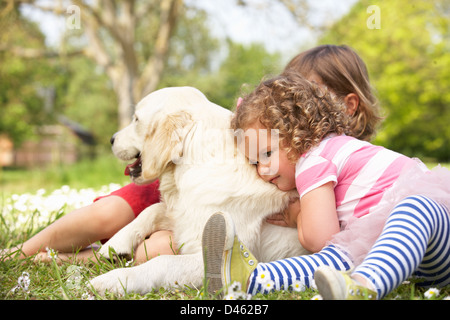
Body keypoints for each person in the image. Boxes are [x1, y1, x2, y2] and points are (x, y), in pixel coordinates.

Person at [2, 45, 378, 265]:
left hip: (214, 207)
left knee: (155, 250)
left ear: (348, 105)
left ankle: (80, 259)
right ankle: (19, 252)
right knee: (109, 213)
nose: (297, 107)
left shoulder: (338, 158)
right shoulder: (278, 131)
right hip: (184, 175)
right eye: (289, 95)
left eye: (310, 95)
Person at [203, 71, 450, 300]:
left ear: (295, 132)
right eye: (254, 162)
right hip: (406, 261)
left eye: (267, 153)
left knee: (414, 208)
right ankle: (250, 279)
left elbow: (320, 238)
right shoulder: (326, 151)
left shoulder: (312, 160)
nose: (261, 170)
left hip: (437, 233)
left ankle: (364, 288)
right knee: (338, 258)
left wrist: (299, 215)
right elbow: (331, 246)